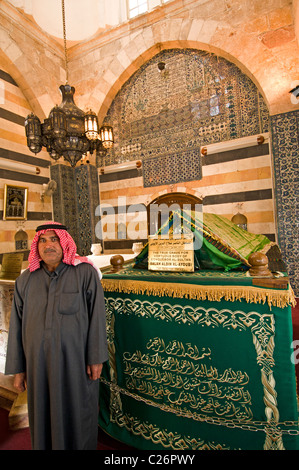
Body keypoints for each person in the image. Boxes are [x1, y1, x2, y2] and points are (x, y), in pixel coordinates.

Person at [5, 222, 108, 450]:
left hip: (76, 364)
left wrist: (96, 357)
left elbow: (98, 318)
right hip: (38, 368)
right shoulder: (25, 281)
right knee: (42, 415)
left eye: (54, 239)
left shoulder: (85, 274)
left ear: (65, 243)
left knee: (78, 412)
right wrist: (19, 369)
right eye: (43, 240)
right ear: (36, 246)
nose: (48, 245)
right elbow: (17, 327)